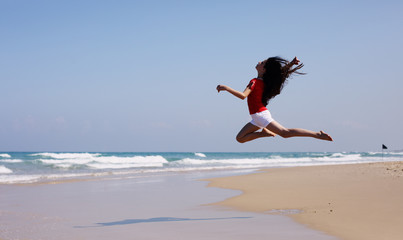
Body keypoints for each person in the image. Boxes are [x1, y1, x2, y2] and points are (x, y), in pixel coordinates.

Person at [216, 56, 333, 143]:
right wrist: (291, 63)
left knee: (285, 133)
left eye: (262, 62)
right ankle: (263, 133)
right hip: (256, 117)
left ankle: (317, 134)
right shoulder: (262, 82)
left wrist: (226, 88)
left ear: (264, 69)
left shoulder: (255, 81)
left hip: (260, 115)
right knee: (240, 138)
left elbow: (243, 96)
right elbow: (279, 74)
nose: (259, 62)